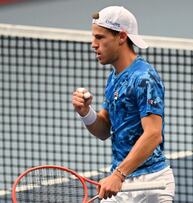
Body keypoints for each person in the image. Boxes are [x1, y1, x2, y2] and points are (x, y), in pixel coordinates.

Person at [72, 6, 175, 202]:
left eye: (100, 37)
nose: (93, 44)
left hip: (151, 182)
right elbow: (104, 130)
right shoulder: (114, 78)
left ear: (121, 37)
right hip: (123, 181)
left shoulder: (144, 78)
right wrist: (86, 112)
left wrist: (118, 175)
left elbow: (153, 134)